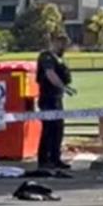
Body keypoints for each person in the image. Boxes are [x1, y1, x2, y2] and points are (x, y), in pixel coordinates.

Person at [36, 34, 75, 169]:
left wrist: (65, 87)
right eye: (60, 43)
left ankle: (55, 158)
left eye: (65, 43)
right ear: (53, 42)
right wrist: (63, 87)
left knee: (58, 129)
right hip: (48, 99)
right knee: (48, 130)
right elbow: (50, 74)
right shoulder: (46, 57)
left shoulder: (58, 58)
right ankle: (44, 160)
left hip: (56, 98)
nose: (63, 46)